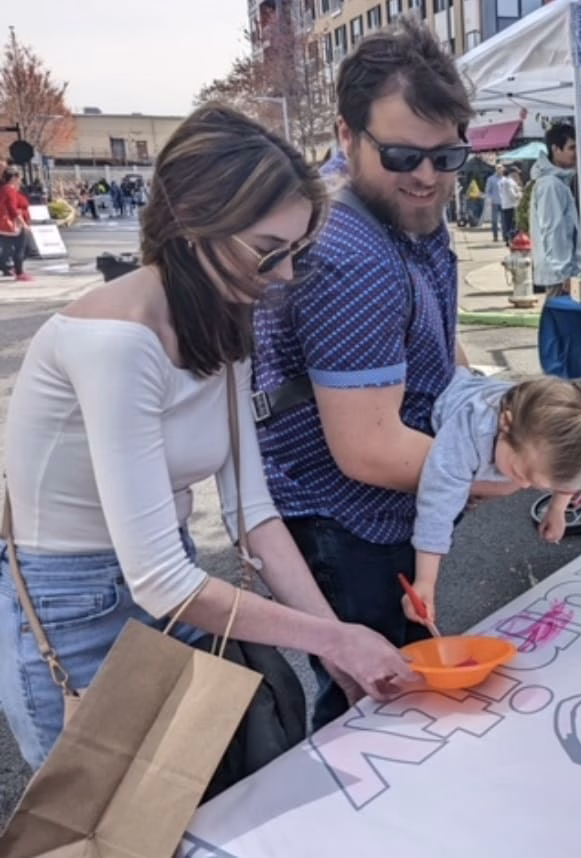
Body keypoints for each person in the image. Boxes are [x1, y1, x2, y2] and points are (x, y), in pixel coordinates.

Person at [0, 105, 417, 770]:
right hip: (74, 605)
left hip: (175, 579)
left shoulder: (220, 319)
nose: (282, 276)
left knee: (191, 803)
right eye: (268, 252)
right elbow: (161, 581)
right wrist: (335, 644)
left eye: (295, 254)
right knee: (109, 827)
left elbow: (253, 515)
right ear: (193, 223)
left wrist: (338, 643)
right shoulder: (118, 342)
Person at [250, 20, 489, 730]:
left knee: (387, 680)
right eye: (403, 154)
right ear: (346, 134)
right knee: (375, 696)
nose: (426, 176)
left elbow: (440, 344)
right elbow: (369, 448)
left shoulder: (398, 204)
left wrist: (485, 412)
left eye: (447, 156)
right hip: (342, 514)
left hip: (370, 505)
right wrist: (510, 468)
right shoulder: (347, 249)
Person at [406, 369, 581, 625]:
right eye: (519, 473)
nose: (522, 484)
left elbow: (570, 476)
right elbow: (437, 506)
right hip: (431, 407)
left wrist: (558, 509)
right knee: (445, 492)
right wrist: (425, 580)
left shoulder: (565, 438)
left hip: (494, 432)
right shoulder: (469, 431)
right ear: (505, 423)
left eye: (536, 484)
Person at [531, 122, 581, 297]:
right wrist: (563, 273)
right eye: (572, 147)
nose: (577, 153)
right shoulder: (550, 185)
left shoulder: (561, 182)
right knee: (561, 319)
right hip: (560, 276)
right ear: (555, 149)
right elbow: (553, 231)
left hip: (566, 273)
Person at [0, 169, 32, 282]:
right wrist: (23, 223)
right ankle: (19, 271)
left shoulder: (7, 190)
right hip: (14, 224)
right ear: (14, 178)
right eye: (19, 178)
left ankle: (13, 268)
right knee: (22, 248)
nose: (21, 180)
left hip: (9, 224)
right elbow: (12, 209)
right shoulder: (9, 191)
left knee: (10, 248)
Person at [498, 166, 522, 244]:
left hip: (506, 205)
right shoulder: (510, 182)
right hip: (511, 205)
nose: (518, 175)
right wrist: (518, 195)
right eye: (516, 173)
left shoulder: (505, 181)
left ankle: (508, 239)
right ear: (513, 173)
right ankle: (511, 240)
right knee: (512, 224)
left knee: (508, 224)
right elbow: (512, 194)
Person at [486, 163, 503, 242]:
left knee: (503, 220)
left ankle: (504, 236)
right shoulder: (491, 179)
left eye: (501, 168)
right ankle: (495, 236)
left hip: (504, 203)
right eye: (498, 168)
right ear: (496, 169)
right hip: (495, 202)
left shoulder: (504, 179)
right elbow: (488, 191)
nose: (500, 170)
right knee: (495, 221)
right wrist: (491, 200)